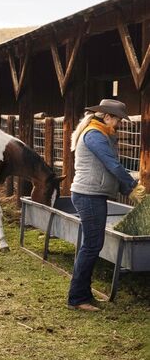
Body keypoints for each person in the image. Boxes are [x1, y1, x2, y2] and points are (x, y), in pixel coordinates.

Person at [66, 99, 140, 312]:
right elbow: (112, 165)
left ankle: (83, 295)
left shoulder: (98, 133)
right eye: (117, 119)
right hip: (88, 196)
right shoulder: (95, 135)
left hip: (92, 195)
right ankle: (77, 298)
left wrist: (128, 190)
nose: (118, 124)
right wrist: (132, 185)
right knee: (91, 246)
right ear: (107, 117)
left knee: (91, 245)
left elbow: (108, 169)